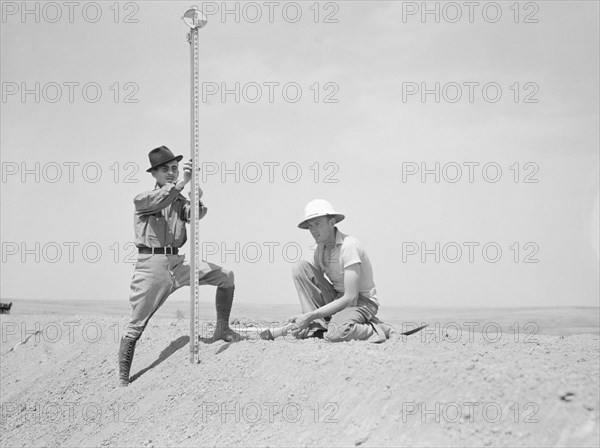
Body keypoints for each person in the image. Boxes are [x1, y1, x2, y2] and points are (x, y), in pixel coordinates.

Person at [118, 145, 240, 387]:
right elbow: (161, 199)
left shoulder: (178, 199)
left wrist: (197, 200)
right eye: (165, 169)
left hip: (177, 263)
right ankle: (122, 379)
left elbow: (195, 216)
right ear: (154, 173)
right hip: (151, 266)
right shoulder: (143, 199)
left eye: (174, 168)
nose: (171, 173)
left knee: (226, 276)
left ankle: (222, 329)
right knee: (137, 325)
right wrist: (184, 182)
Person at [262, 199, 393, 342]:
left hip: (362, 302)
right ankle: (316, 326)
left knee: (336, 334)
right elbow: (311, 285)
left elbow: (351, 297)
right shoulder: (319, 251)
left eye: (317, 224)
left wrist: (311, 316)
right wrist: (308, 317)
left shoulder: (349, 246)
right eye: (310, 226)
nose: (313, 230)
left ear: (332, 223)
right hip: (337, 297)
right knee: (300, 267)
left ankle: (379, 329)